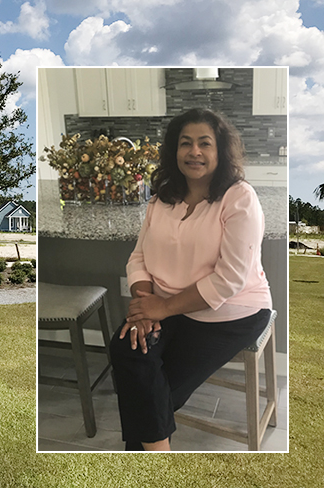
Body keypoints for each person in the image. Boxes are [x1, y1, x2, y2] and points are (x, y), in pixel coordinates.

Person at [109, 108, 273, 451]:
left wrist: (161, 308)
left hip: (231, 310)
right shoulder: (162, 197)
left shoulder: (239, 198)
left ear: (220, 151)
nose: (194, 152)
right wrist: (143, 306)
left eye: (204, 143)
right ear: (174, 151)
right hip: (165, 304)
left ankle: (148, 453)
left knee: (155, 387)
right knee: (127, 350)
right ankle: (157, 450)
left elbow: (228, 279)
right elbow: (139, 257)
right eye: (185, 143)